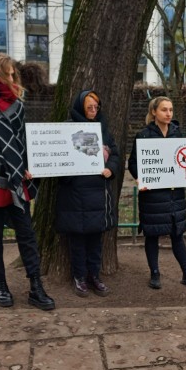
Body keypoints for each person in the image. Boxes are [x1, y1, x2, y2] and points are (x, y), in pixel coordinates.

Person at [0, 53, 55, 311]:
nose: (11, 78)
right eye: (6, 73)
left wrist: (27, 166)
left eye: (13, 73)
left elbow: (21, 141)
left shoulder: (18, 105)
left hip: (16, 181)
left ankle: (36, 286)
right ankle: (0, 285)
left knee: (27, 235)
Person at [128, 96, 186, 290]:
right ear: (154, 112)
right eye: (164, 110)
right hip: (152, 196)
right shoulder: (143, 136)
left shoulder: (178, 135)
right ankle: (154, 273)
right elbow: (133, 163)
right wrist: (140, 177)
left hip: (174, 195)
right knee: (152, 235)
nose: (168, 113)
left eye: (170, 110)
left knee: (177, 235)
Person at [55, 90, 121, 297]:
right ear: (80, 107)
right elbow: (58, 156)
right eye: (89, 107)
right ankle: (80, 277)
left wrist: (111, 168)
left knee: (95, 240)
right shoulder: (67, 128)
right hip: (74, 192)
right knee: (77, 240)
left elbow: (116, 154)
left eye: (96, 107)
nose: (93, 111)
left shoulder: (103, 129)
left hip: (98, 190)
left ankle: (95, 275)